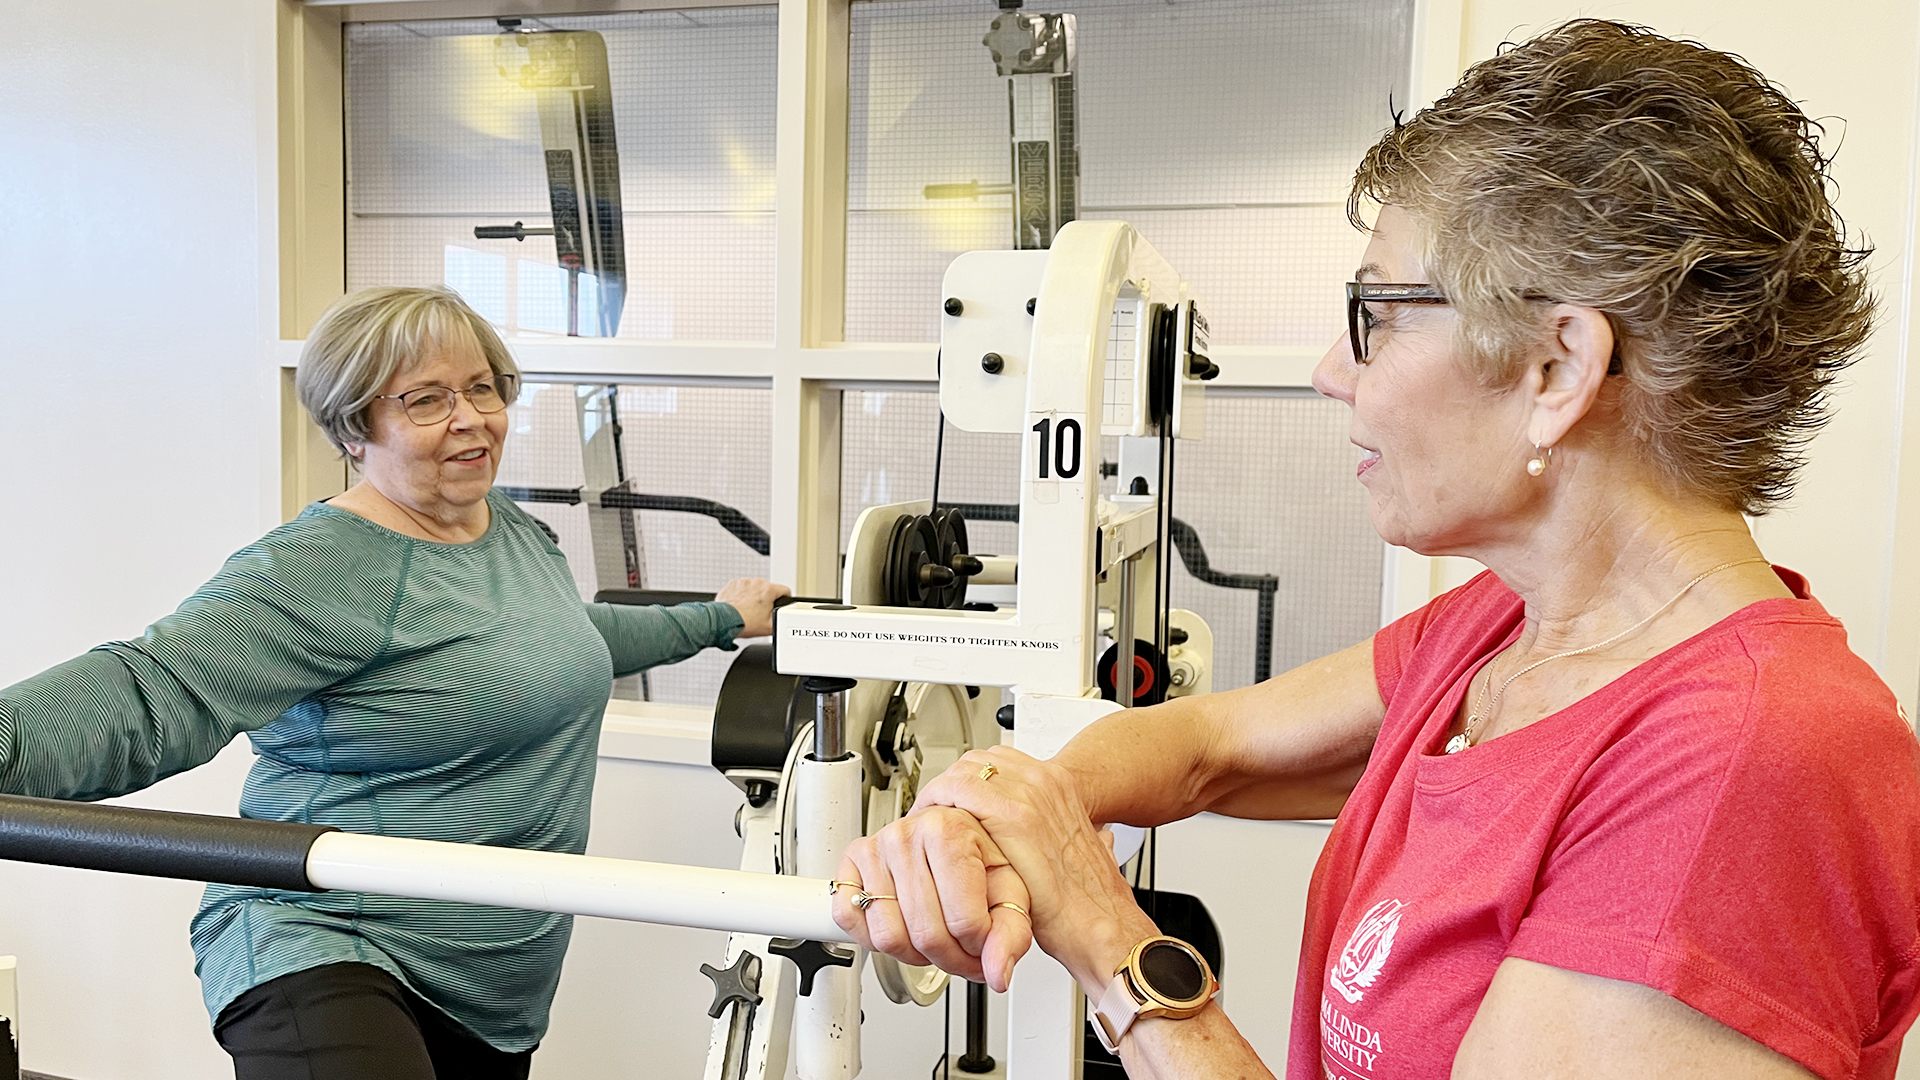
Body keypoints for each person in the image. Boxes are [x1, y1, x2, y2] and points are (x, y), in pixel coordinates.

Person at [832, 21, 1920, 1080]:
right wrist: (1001, 818)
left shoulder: (1755, 762)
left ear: (1557, 369)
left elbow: (1152, 846)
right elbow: (1212, 745)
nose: (1331, 369)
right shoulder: (1507, 628)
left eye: (1378, 314)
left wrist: (1110, 940)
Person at [0, 285, 789, 1080]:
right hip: (327, 939)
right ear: (354, 427)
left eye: (482, 387)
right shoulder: (319, 567)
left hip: (493, 980)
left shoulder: (507, 529)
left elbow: (568, 638)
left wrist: (717, 617)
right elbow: (154, 689)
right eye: (426, 399)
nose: (471, 417)